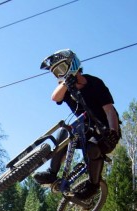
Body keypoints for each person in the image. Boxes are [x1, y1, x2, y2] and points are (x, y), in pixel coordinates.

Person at [34, 49, 120, 199]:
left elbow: (109, 110)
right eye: (56, 73)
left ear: (72, 65)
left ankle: (93, 186)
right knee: (65, 132)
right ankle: (52, 174)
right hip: (85, 129)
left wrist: (113, 131)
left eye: (61, 69)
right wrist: (67, 83)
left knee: (94, 148)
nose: (60, 75)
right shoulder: (67, 89)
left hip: (106, 131)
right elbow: (55, 97)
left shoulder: (95, 83)